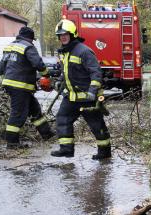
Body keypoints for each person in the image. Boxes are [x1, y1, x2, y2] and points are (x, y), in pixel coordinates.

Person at [51, 19, 111, 160]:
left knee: (96, 125)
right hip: (71, 98)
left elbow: (96, 73)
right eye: (60, 35)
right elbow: (65, 72)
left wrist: (92, 91)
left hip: (87, 98)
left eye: (65, 34)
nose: (63, 37)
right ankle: (66, 149)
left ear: (73, 34)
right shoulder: (65, 52)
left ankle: (104, 152)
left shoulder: (84, 51)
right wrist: (60, 82)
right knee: (62, 119)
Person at [0, 26, 55, 148]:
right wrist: (46, 74)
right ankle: (12, 142)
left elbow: (1, 68)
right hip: (21, 86)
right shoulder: (28, 46)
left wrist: (6, 82)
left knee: (34, 110)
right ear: (30, 38)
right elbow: (38, 63)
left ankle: (47, 134)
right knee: (18, 114)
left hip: (14, 86)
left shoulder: (10, 47)